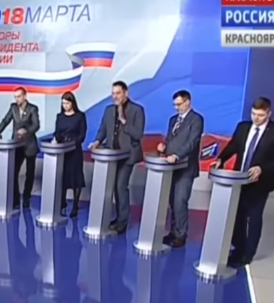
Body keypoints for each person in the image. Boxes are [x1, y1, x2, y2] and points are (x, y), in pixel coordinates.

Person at [213, 97, 274, 267]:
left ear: (269, 114)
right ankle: (238, 249)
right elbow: (233, 146)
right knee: (238, 216)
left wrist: (262, 168)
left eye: (260, 115)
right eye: (254, 114)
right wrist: (221, 159)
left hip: (260, 183)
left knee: (253, 218)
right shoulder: (243, 127)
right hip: (238, 181)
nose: (256, 118)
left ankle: (248, 254)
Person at [89, 81, 145, 234]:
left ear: (126, 93)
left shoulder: (137, 110)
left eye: (118, 93)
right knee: (114, 187)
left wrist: (124, 121)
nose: (115, 96)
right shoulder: (108, 110)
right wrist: (97, 141)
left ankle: (122, 221)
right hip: (112, 156)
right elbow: (103, 129)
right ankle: (119, 216)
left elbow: (138, 134)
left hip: (128, 155)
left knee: (121, 186)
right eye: (113, 93)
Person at [157, 90, 204, 248]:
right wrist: (164, 147)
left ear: (187, 102)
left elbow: (192, 142)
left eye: (179, 104)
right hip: (172, 167)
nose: (176, 108)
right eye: (174, 105)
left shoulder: (196, 119)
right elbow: (171, 139)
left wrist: (177, 155)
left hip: (186, 166)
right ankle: (173, 232)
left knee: (180, 201)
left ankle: (181, 235)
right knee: (172, 201)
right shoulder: (173, 120)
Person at [0, 87, 40, 209]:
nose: (17, 99)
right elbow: (5, 120)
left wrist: (26, 130)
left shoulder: (32, 109)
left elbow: (36, 125)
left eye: (19, 96)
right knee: (13, 172)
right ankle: (15, 199)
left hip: (30, 145)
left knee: (30, 173)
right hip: (16, 145)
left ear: (24, 96)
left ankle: (26, 197)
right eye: (15, 97)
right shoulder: (13, 107)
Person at [53, 91, 87, 218]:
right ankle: (62, 204)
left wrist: (73, 142)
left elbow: (82, 134)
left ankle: (75, 205)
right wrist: (57, 139)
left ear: (72, 103)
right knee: (62, 177)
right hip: (62, 152)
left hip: (75, 151)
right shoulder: (59, 117)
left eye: (67, 103)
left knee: (76, 178)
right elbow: (57, 132)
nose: (65, 106)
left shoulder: (80, 116)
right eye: (63, 103)